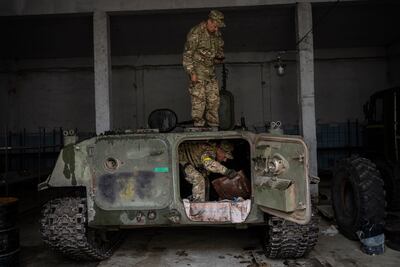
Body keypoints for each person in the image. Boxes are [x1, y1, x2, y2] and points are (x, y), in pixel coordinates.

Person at [182, 10, 225, 129]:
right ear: (210, 21)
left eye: (218, 27)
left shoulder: (217, 34)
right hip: (198, 73)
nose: (217, 29)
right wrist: (192, 73)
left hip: (211, 73)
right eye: (215, 26)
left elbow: (219, 50)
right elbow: (187, 55)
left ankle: (213, 127)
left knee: (214, 102)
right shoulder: (196, 33)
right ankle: (198, 127)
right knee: (199, 103)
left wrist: (219, 57)